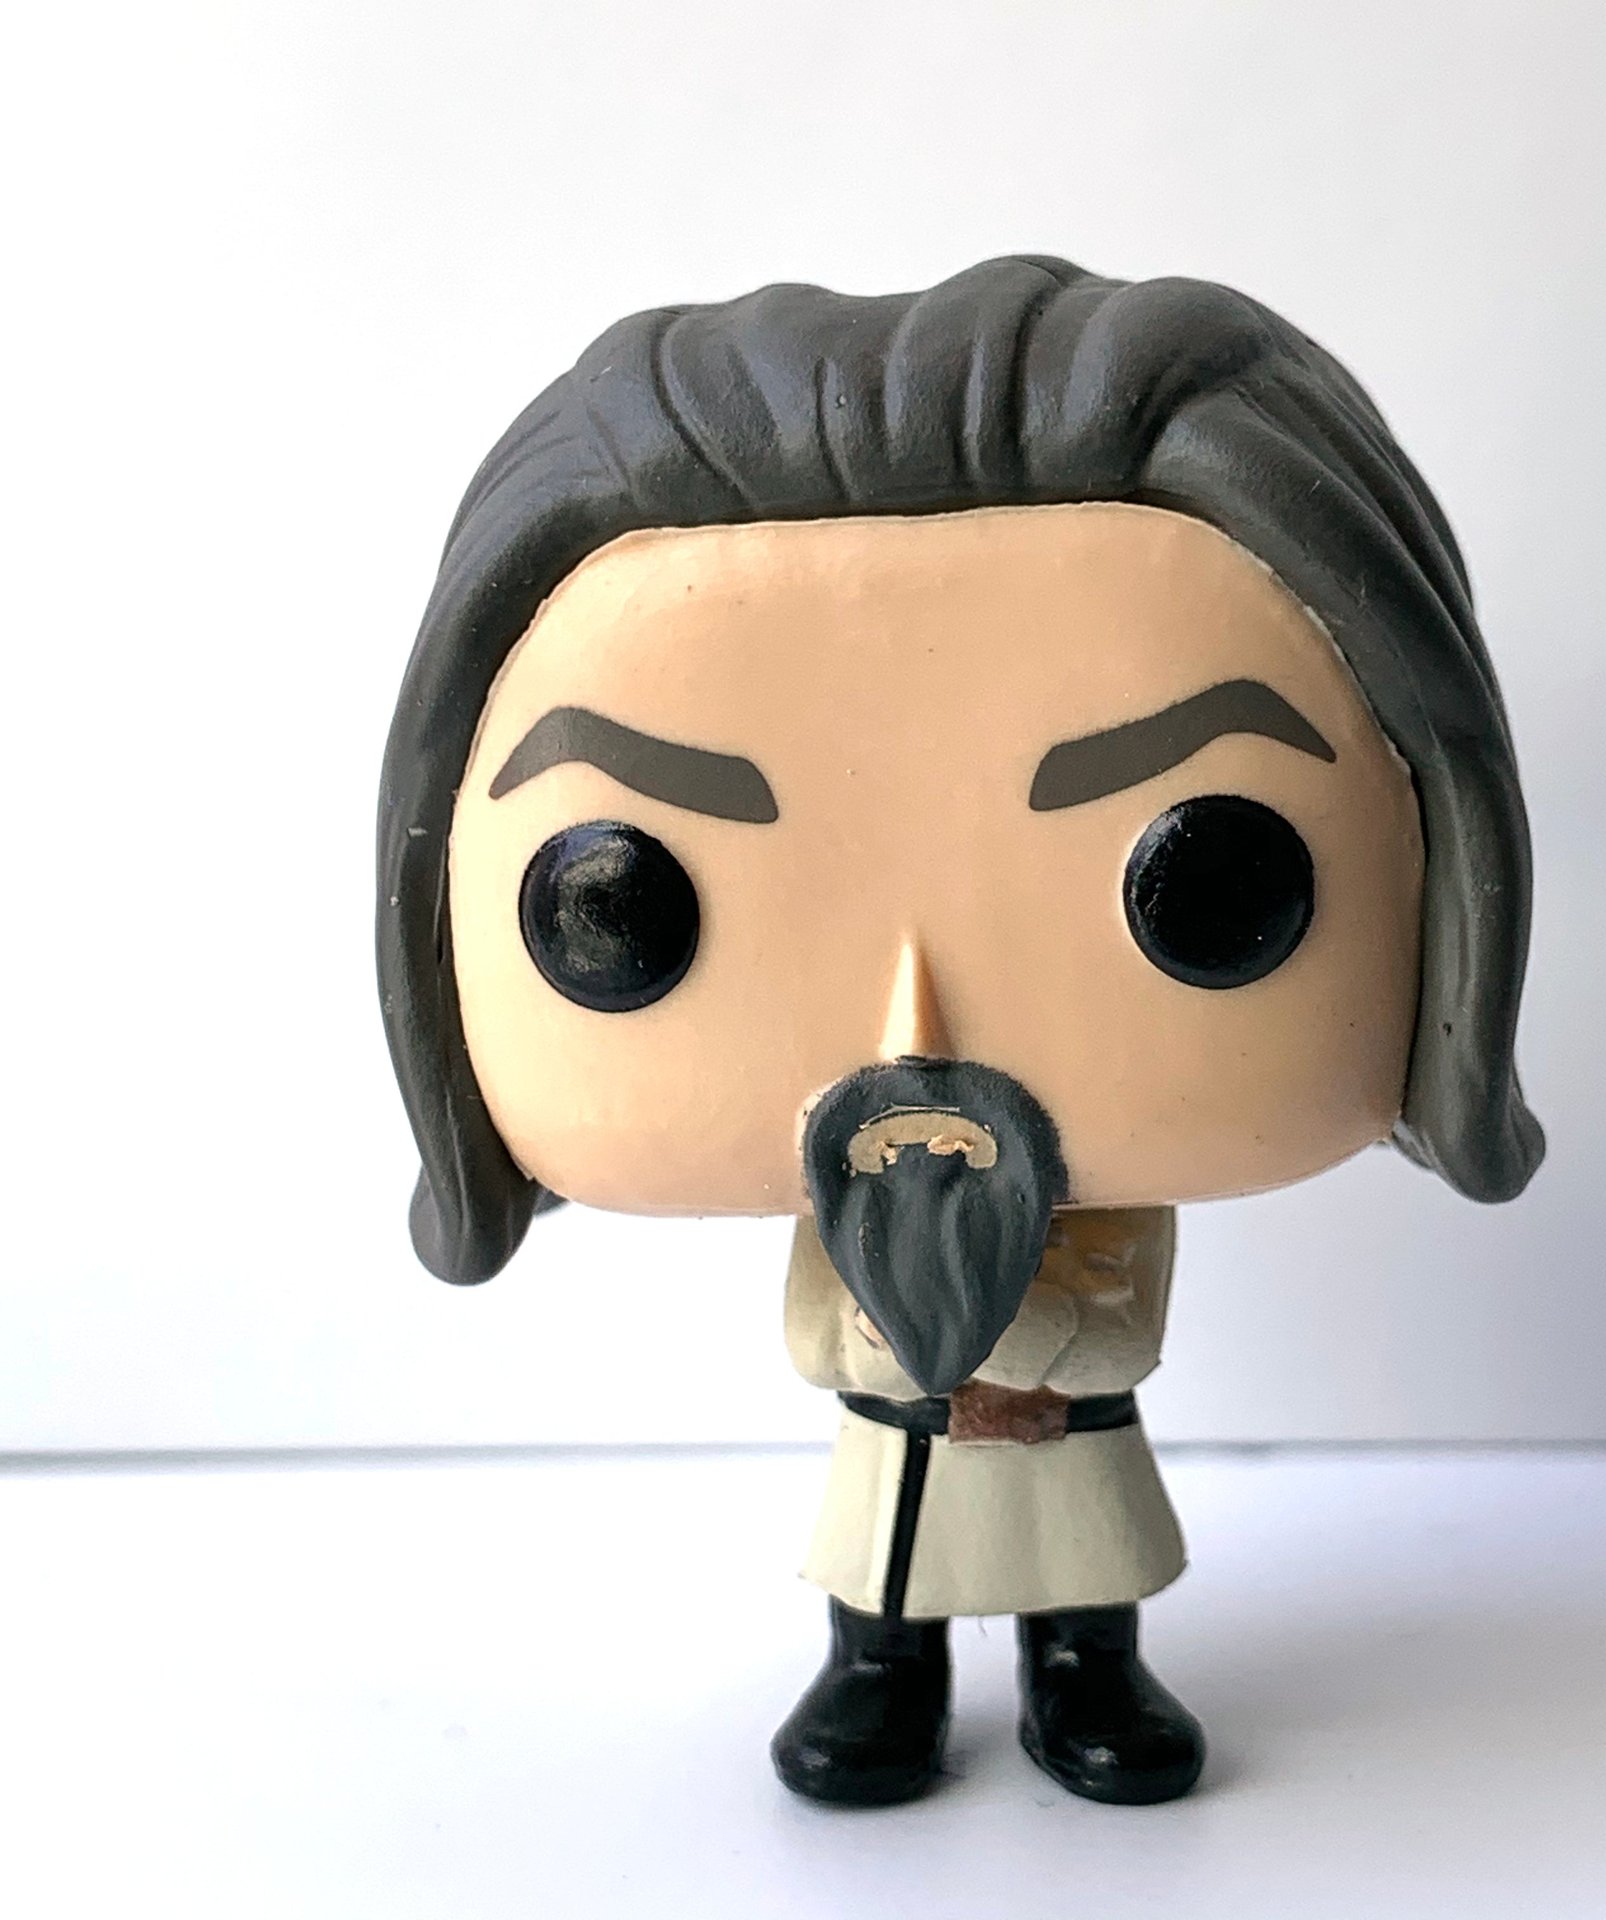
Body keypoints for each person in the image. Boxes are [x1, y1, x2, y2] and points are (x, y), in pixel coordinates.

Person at [376, 257, 1544, 1808]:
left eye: (1216, 879)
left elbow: (1127, 1323)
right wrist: (889, 1336)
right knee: (883, 1575)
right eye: (623, 903)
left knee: (1086, 1574)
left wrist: (1024, 1343)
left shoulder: (1095, 1217)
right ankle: (882, 1675)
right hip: (900, 1439)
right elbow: (814, 1334)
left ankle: (1086, 1669)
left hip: (1063, 1431)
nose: (913, 1024)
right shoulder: (852, 1203)